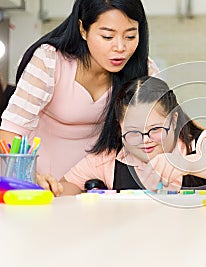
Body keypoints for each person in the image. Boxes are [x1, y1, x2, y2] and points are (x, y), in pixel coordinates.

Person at [0, 0, 158, 180]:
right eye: (107, 36)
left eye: (130, 36)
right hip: (40, 181)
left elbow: (166, 125)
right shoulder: (50, 60)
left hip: (99, 185)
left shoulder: (144, 71)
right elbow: (11, 129)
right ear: (83, 29)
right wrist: (28, 176)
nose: (120, 47)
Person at [40, 76, 206, 196]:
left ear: (173, 121)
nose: (145, 140)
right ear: (119, 128)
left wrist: (188, 164)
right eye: (133, 132)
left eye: (155, 130)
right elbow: (62, 192)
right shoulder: (108, 160)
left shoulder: (199, 144)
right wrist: (49, 189)